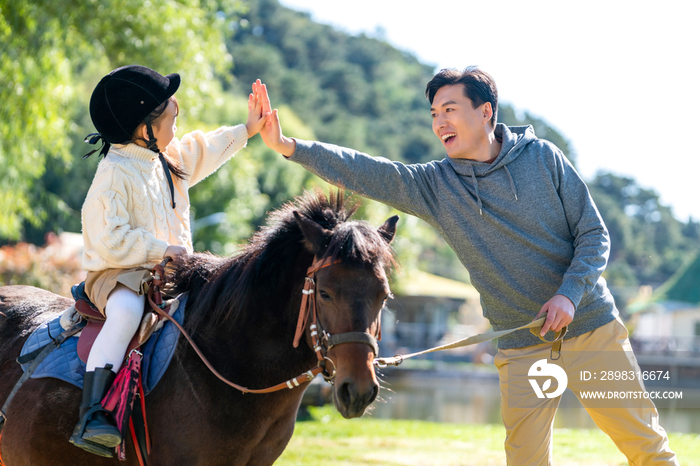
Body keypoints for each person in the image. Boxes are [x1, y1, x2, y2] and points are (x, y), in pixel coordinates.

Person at [258, 68, 679, 465]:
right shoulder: (435, 186)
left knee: (644, 445)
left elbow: (594, 234)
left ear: (485, 112)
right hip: (523, 344)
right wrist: (289, 146)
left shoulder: (543, 159)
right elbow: (369, 171)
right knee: (526, 459)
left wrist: (568, 294)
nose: (440, 122)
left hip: (590, 328)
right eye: (434, 114)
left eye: (450, 110)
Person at [70, 65, 269, 457]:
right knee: (126, 313)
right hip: (117, 273)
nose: (176, 117)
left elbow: (203, 149)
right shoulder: (113, 173)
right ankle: (92, 414)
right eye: (168, 114)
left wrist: (247, 129)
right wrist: (159, 248)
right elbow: (109, 238)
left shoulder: (165, 159)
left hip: (167, 274)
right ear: (143, 128)